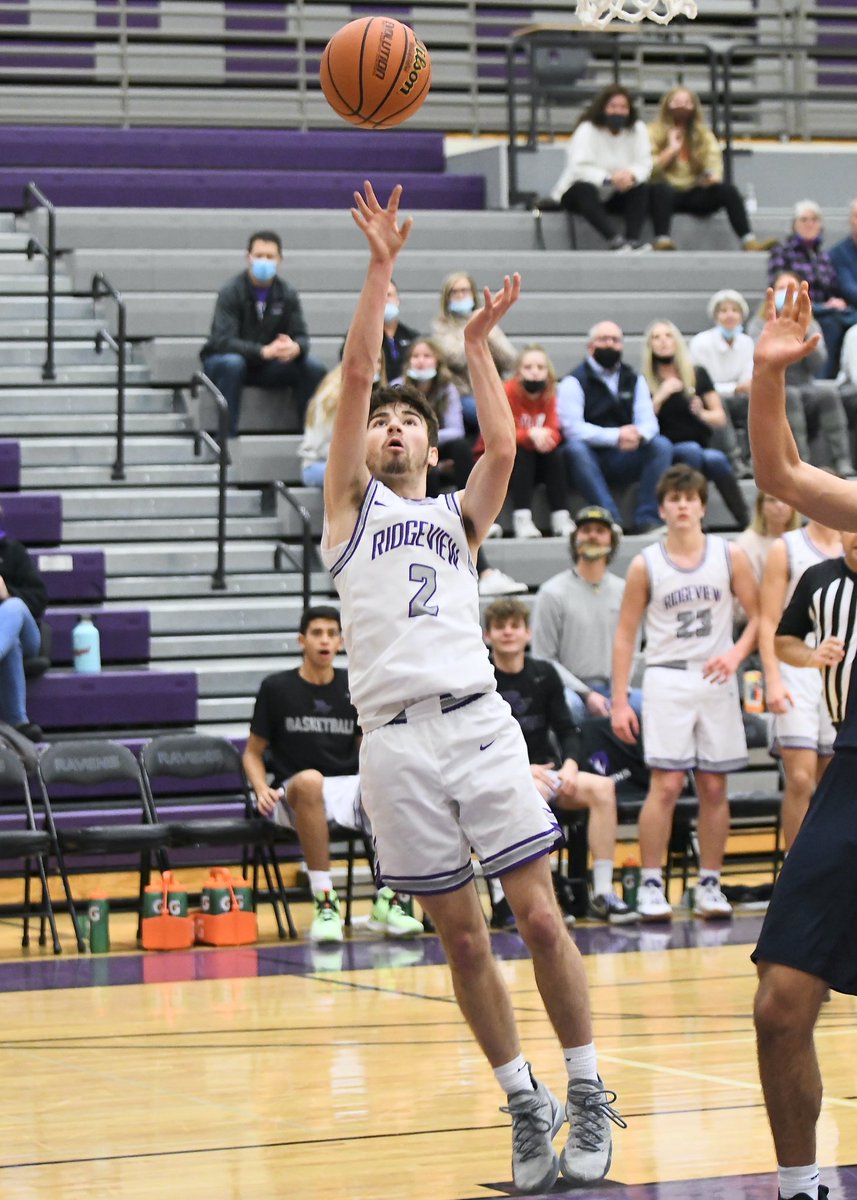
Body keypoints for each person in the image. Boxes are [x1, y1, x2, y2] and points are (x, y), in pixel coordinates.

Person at [322, 180, 623, 1194]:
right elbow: (361, 368)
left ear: (428, 444)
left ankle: (584, 1088)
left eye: (409, 421)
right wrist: (379, 272)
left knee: (538, 917)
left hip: (474, 723)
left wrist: (481, 346)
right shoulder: (346, 514)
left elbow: (504, 445)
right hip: (391, 742)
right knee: (458, 935)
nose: (394, 428)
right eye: (382, 423)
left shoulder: (456, 515)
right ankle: (521, 1099)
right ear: (364, 443)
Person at [749, 278, 857, 1200]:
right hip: (852, 774)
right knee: (779, 1005)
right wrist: (765, 371)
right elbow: (781, 479)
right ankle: (800, 1188)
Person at [610, 464, 759, 923]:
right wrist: (619, 700)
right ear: (663, 508)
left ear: (701, 505)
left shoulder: (729, 554)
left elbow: (759, 618)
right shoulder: (645, 564)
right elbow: (625, 635)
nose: (682, 505)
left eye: (689, 498)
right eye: (674, 499)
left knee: (715, 785)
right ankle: (652, 884)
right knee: (667, 784)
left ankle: (709, 883)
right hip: (666, 676)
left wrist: (735, 657)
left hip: (716, 676)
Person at [242, 604, 423, 944]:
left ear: (341, 641)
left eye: (332, 634)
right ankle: (325, 902)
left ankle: (391, 898)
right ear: (302, 640)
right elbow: (252, 753)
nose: (325, 641)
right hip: (293, 790)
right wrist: (258, 787)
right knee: (311, 779)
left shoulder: (354, 684)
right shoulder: (276, 687)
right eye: (317, 634)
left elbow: (365, 747)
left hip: (346, 787)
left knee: (391, 777)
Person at [485, 597, 639, 927]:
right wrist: (519, 769)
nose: (508, 633)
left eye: (515, 626)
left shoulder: (544, 673)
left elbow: (569, 729)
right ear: (487, 636)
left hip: (547, 770)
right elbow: (475, 739)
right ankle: (515, 899)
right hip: (499, 774)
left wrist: (570, 764)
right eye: (500, 627)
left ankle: (601, 891)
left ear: (529, 633)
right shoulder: (481, 677)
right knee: (533, 795)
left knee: (602, 789)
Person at [758, 520, 841, 849]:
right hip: (795, 664)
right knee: (801, 778)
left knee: (834, 780)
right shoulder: (787, 547)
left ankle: (832, 868)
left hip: (839, 666)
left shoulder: (850, 546)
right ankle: (796, 867)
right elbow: (768, 619)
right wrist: (772, 679)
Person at [200, 229, 327, 438]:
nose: (264, 261)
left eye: (270, 256)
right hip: (224, 363)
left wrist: (295, 348)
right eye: (259, 256)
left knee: (311, 368)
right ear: (248, 257)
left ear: (280, 260)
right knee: (233, 363)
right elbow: (223, 341)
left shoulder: (287, 293)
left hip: (267, 366)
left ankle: (313, 438)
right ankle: (225, 440)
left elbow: (302, 337)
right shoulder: (231, 291)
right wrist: (262, 351)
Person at [558, 320, 673, 534]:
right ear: (590, 346)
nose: (610, 344)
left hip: (626, 455)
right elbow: (572, 428)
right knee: (574, 448)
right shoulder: (573, 381)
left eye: (615, 340)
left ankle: (648, 518)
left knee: (661, 445)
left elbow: (649, 423)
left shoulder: (634, 378)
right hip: (591, 459)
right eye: (603, 339)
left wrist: (638, 435)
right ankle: (611, 520)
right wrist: (616, 435)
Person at [531, 505, 641, 725]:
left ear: (611, 540)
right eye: (586, 530)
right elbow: (543, 658)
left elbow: (634, 648)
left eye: (600, 531)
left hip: (616, 688)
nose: (593, 535)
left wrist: (619, 694)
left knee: (649, 706)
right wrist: (586, 694)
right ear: (575, 539)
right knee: (571, 708)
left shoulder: (626, 591)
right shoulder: (552, 592)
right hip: (569, 690)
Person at [641, 318, 749, 526]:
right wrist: (661, 395)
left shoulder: (696, 374)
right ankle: (693, 521)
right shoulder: (645, 380)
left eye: (668, 336)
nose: (663, 341)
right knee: (691, 451)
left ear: (677, 341)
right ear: (650, 345)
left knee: (716, 459)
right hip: (664, 448)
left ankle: (745, 521)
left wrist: (701, 413)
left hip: (698, 444)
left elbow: (719, 417)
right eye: (656, 337)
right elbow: (643, 421)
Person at [690, 288, 807, 476]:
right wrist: (734, 388)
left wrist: (740, 387)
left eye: (734, 311)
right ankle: (734, 459)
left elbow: (748, 378)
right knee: (718, 403)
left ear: (741, 316)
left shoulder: (747, 342)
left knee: (762, 402)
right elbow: (701, 382)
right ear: (715, 315)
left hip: (739, 396)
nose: (730, 315)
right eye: (724, 311)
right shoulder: (700, 342)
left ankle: (760, 459)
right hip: (710, 398)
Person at [748, 270, 852, 476]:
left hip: (806, 385)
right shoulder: (759, 324)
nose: (787, 293)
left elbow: (819, 363)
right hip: (776, 389)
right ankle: (800, 462)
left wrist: (803, 339)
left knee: (829, 394)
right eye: (781, 288)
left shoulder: (810, 323)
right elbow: (756, 361)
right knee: (792, 396)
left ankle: (842, 460)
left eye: (792, 288)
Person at [647, 86, 775, 253]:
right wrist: (671, 149)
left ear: (694, 107)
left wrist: (711, 176)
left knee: (728, 190)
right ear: (666, 105)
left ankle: (749, 241)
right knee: (660, 190)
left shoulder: (703, 134)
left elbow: (713, 162)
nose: (682, 107)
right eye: (677, 102)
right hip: (665, 194)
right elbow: (648, 169)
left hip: (694, 191)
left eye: (687, 103)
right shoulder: (652, 131)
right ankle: (662, 240)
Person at [475, 344, 573, 538]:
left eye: (540, 368)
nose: (535, 372)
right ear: (518, 373)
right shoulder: (505, 392)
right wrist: (529, 434)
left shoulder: (550, 394)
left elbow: (555, 430)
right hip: (496, 458)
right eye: (528, 368)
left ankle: (561, 517)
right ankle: (522, 519)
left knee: (552, 452)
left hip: (536, 460)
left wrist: (545, 436)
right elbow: (498, 433)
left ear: (548, 372)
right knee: (524, 451)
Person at [548, 84, 653, 252]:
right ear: (603, 108)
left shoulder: (638, 129)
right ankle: (615, 240)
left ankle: (633, 240)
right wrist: (609, 179)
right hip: (580, 194)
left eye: (623, 107)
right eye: (613, 106)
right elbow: (579, 168)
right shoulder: (587, 129)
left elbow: (644, 164)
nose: (618, 111)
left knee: (641, 187)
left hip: (616, 193)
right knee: (584, 190)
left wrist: (630, 176)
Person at [768, 199, 857, 379]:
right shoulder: (782, 252)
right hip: (795, 307)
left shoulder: (823, 256)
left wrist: (836, 301)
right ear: (794, 224)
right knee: (829, 323)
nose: (810, 224)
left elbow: (833, 288)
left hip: (825, 309)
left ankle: (841, 375)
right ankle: (821, 378)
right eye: (804, 219)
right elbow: (779, 285)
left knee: (845, 319)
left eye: (814, 219)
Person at [431, 270, 517, 432]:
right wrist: (476, 335)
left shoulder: (486, 322)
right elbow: (454, 358)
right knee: (492, 420)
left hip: (492, 392)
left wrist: (487, 332)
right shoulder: (441, 327)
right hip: (461, 395)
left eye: (465, 290)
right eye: (454, 292)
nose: (460, 295)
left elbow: (511, 361)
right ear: (447, 298)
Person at [392, 337, 473, 494]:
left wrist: (427, 438)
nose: (421, 361)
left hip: (436, 442)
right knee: (429, 467)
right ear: (408, 362)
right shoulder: (397, 387)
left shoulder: (447, 388)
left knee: (462, 447)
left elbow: (456, 430)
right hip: (407, 443)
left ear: (437, 362)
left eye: (427, 356)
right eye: (415, 356)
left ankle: (468, 502)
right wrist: (417, 438)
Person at [299, 353, 386, 488]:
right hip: (318, 465)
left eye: (379, 361)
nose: (375, 366)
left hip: (352, 465)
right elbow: (330, 450)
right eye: (369, 361)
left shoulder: (375, 394)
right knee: (363, 478)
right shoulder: (332, 397)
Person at [0, 530, 46, 743]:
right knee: (11, 646)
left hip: (27, 632)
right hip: (8, 643)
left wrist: (7, 593)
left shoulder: (12, 551)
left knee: (14, 606)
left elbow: (39, 600)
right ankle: (18, 722)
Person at [736, 490, 801, 587]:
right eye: (772, 500)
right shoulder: (745, 542)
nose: (779, 505)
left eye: (786, 500)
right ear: (760, 506)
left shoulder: (802, 540)